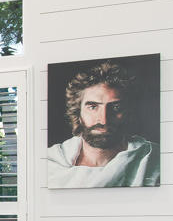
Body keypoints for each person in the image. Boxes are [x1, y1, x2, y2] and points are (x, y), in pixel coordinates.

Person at [46, 60, 160, 188]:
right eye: (93, 107)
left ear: (128, 111)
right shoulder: (51, 163)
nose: (103, 120)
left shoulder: (154, 160)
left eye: (116, 107)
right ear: (78, 112)